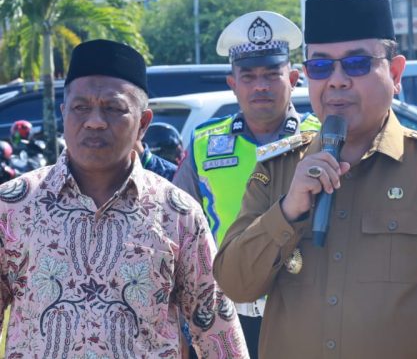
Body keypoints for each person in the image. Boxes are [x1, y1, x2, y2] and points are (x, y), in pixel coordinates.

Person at [214, 0, 417, 358]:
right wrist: (288, 211)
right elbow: (235, 284)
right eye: (320, 68)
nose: (337, 82)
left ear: (396, 74)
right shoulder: (278, 169)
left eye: (356, 64)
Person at [0, 39, 246, 358]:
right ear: (64, 113)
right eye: (81, 107)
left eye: (113, 108)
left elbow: (217, 334)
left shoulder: (178, 213)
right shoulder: (13, 206)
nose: (95, 121)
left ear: (143, 123)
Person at [172, 10, 319, 357]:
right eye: (248, 76)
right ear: (232, 83)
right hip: (221, 318)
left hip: (301, 312)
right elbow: (176, 232)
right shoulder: (204, 144)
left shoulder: (320, 139)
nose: (261, 86)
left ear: (294, 78)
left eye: (272, 74)